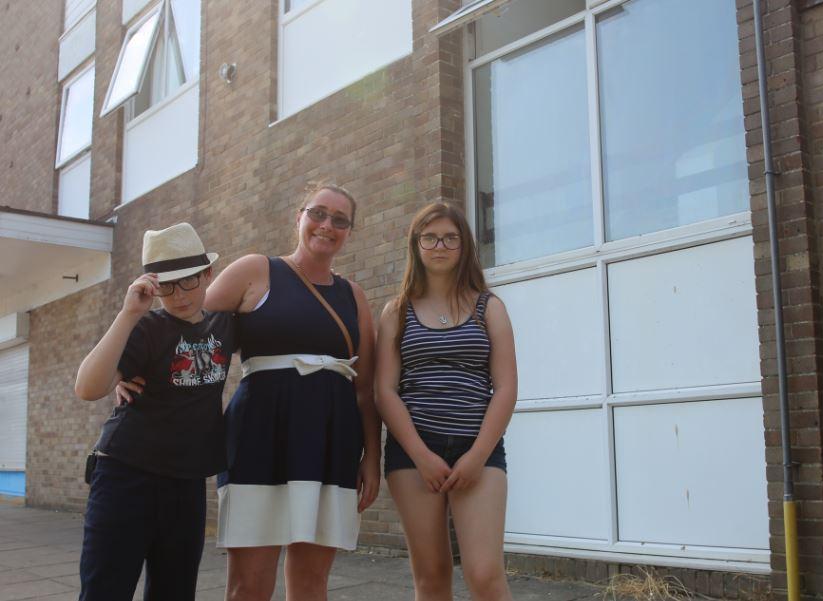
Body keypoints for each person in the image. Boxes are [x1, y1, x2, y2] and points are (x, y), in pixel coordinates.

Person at [204, 184, 379, 601]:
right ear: (298, 217)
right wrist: (130, 367)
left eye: (340, 220)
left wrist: (373, 457)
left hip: (330, 443)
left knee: (311, 583)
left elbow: (365, 389)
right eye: (318, 213)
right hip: (258, 438)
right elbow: (186, 326)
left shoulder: (354, 296)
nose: (327, 226)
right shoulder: (255, 270)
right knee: (248, 585)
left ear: (349, 231)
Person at [74, 222, 234, 601]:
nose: (178, 295)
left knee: (174, 593)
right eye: (166, 285)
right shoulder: (147, 328)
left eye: (189, 282)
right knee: (105, 591)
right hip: (125, 476)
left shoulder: (225, 324)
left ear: (207, 275)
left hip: (186, 482)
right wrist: (129, 314)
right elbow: (87, 387)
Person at [374, 202, 518, 601]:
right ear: (416, 245)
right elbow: (384, 391)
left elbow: (505, 388)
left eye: (451, 238)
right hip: (414, 456)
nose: (440, 245)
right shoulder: (396, 312)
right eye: (430, 237)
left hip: (480, 452)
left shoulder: (490, 307)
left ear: (464, 246)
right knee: (432, 575)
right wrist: (420, 455)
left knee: (486, 575)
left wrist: (476, 455)